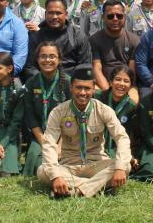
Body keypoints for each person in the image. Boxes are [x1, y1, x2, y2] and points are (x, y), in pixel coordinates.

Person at [37, 66, 132, 197]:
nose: (82, 93)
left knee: (125, 166)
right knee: (42, 171)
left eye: (87, 88)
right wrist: (56, 176)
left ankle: (76, 190)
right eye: (78, 87)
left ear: (93, 89)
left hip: (96, 164)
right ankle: (96, 187)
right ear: (71, 88)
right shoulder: (58, 111)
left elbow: (122, 137)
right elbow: (49, 143)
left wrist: (120, 167)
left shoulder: (103, 110)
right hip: (69, 165)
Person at [20, 42, 72, 177]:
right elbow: (30, 117)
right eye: (43, 56)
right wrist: (44, 142)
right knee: (38, 166)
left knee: (63, 162)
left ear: (59, 59)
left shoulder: (68, 83)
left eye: (52, 56)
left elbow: (71, 117)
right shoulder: (31, 83)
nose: (47, 60)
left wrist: (59, 145)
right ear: (37, 59)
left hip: (65, 136)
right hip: (40, 136)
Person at [25, 0, 92, 77]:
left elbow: (84, 66)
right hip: (42, 83)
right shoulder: (35, 37)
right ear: (45, 14)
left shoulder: (79, 37)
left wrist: (68, 82)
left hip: (71, 84)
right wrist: (45, 81)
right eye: (51, 13)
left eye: (58, 13)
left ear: (66, 14)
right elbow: (30, 67)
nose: (54, 17)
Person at [89, 0, 139, 90]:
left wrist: (123, 88)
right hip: (103, 83)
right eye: (110, 16)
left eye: (119, 16)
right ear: (103, 17)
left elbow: (132, 71)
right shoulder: (94, 39)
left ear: (124, 17)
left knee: (133, 100)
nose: (115, 19)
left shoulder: (134, 40)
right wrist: (107, 90)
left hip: (126, 83)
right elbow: (96, 67)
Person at [96, 64, 139, 156]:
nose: (121, 84)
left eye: (126, 81)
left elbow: (131, 137)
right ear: (110, 82)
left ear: (130, 85)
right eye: (118, 79)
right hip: (95, 146)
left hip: (118, 150)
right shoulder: (98, 99)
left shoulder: (132, 107)